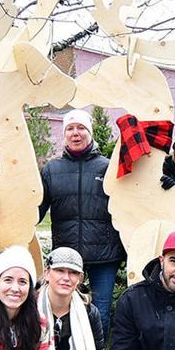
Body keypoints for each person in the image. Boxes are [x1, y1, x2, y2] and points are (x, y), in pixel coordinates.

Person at [38, 109, 125, 332]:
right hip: (66, 253)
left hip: (104, 254)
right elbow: (37, 209)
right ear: (64, 134)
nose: (75, 133)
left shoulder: (107, 167)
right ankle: (65, 349)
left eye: (81, 128)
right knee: (62, 307)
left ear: (90, 132)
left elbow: (125, 208)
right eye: (70, 128)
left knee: (100, 311)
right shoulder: (51, 170)